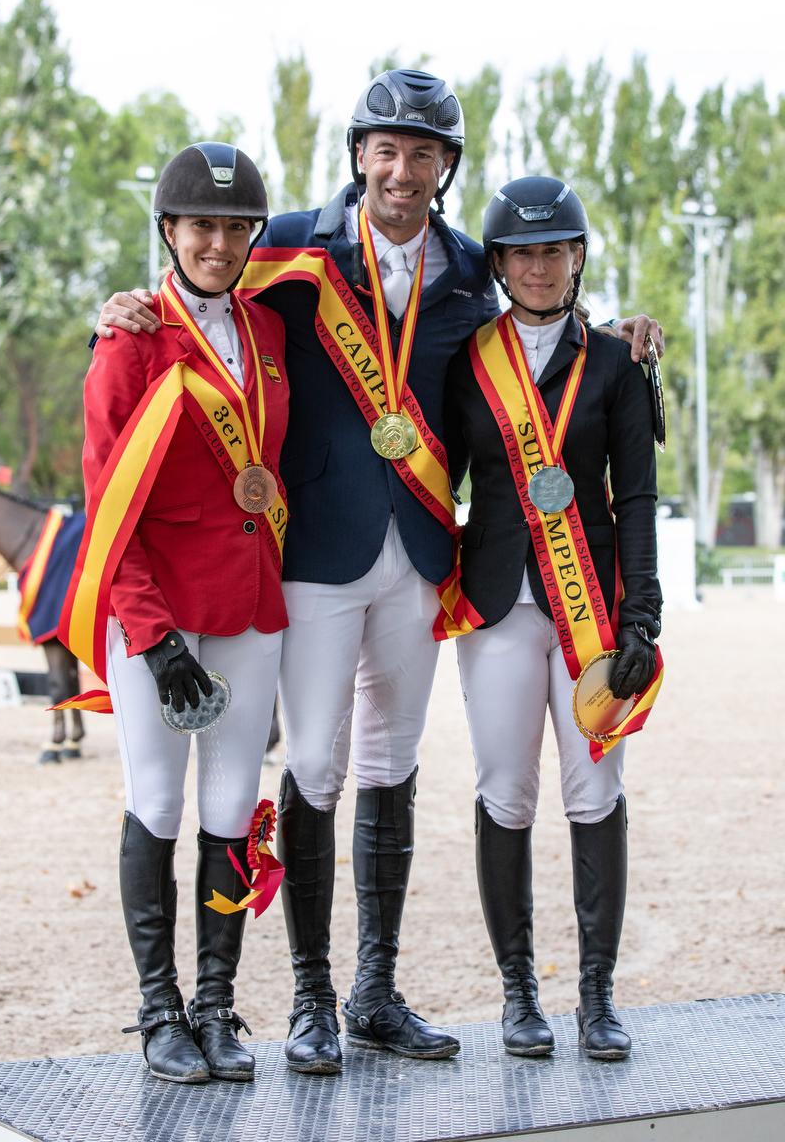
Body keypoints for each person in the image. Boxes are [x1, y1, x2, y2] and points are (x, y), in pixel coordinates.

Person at [94, 69, 664, 1077]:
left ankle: (373, 991)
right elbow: (201, 295)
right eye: (385, 150)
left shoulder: (461, 270)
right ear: (359, 154)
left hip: (416, 556)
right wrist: (130, 306)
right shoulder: (287, 250)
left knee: (391, 765)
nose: (401, 171)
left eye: (423, 154)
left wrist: (616, 328)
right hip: (311, 559)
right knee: (311, 763)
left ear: (444, 170)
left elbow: (539, 317)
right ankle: (309, 996)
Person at [76, 143, 289, 1083]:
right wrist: (153, 638)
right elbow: (105, 500)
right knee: (158, 804)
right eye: (202, 225)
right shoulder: (130, 339)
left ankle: (214, 1005)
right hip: (158, 615)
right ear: (169, 231)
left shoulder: (269, 334)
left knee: (232, 808)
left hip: (249, 605)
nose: (219, 241)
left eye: (236, 227)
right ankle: (159, 1011)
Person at [445, 176, 663, 1062]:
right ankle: (519, 994)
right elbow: (439, 479)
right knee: (506, 791)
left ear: (578, 259)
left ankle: (597, 998)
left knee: (594, 792)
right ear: (498, 263)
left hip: (592, 613)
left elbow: (638, 496)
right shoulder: (469, 362)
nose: (539, 267)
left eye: (555, 250)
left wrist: (641, 613)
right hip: (498, 604)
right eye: (523, 253)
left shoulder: (614, 363)